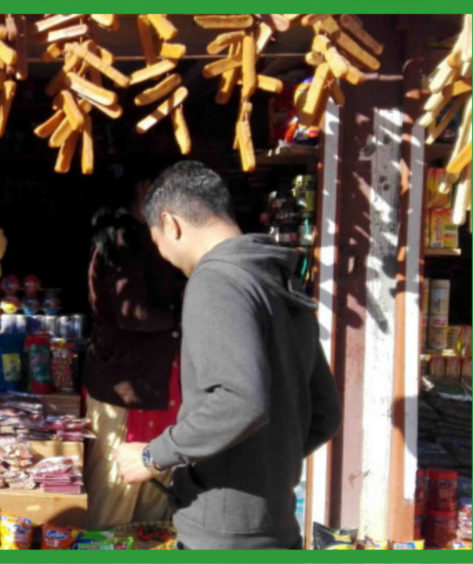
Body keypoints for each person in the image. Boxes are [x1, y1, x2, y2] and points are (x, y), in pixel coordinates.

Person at [115, 161, 342, 550]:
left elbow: (240, 401)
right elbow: (325, 414)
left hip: (221, 532)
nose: (164, 255)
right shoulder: (276, 277)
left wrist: (154, 455)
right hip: (277, 522)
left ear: (171, 224)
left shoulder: (215, 281)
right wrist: (266, 462)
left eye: (157, 243)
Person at [83, 180, 186, 529]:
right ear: (142, 190)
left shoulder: (134, 238)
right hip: (129, 380)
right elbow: (132, 313)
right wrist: (182, 321)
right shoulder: (125, 239)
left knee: (147, 480)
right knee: (120, 482)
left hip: (142, 375)